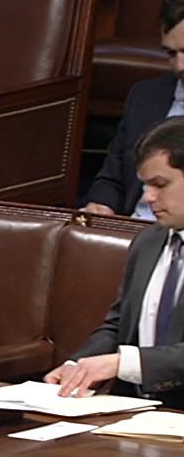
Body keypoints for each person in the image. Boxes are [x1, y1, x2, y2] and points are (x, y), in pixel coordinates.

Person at [46, 116, 184, 407]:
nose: (148, 198)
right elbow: (118, 325)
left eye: (160, 184)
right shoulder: (148, 242)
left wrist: (123, 364)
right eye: (145, 185)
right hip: (133, 414)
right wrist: (78, 366)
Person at [81, 0, 184, 218]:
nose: (179, 66)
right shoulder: (146, 96)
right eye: (171, 54)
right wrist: (102, 204)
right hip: (135, 237)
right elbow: (113, 177)